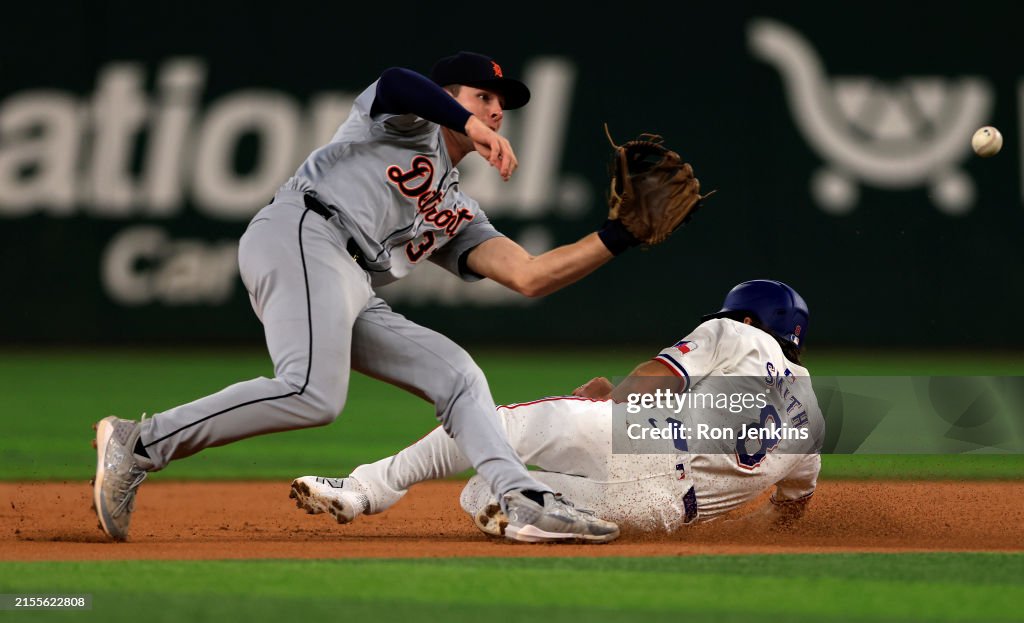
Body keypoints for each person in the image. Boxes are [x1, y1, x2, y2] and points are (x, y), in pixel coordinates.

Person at [92, 51, 654, 543]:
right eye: (483, 96)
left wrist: (620, 237)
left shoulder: (456, 209)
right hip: (305, 230)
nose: (496, 110)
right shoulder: (407, 123)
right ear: (449, 98)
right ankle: (138, 443)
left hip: (350, 281)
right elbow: (397, 80)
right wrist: (464, 122)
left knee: (458, 376)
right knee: (313, 393)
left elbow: (531, 275)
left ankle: (523, 502)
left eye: (501, 103)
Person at [289, 280, 824, 536]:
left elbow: (659, 377)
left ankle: (364, 489)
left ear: (751, 320)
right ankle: (548, 525)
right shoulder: (814, 419)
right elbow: (793, 507)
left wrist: (607, 401)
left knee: (493, 424)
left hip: (641, 444)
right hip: (659, 512)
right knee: (487, 492)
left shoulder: (735, 333)